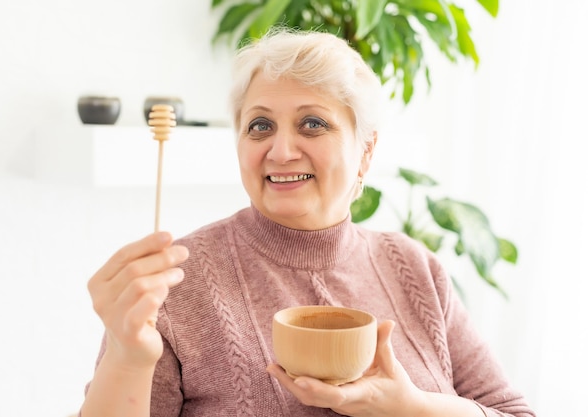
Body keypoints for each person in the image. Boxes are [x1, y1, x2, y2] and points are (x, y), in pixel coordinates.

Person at [80, 27, 537, 417]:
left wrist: (411, 405)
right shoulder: (174, 282)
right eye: (259, 126)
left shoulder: (414, 267)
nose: (280, 152)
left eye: (313, 123)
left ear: (366, 150)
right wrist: (126, 358)